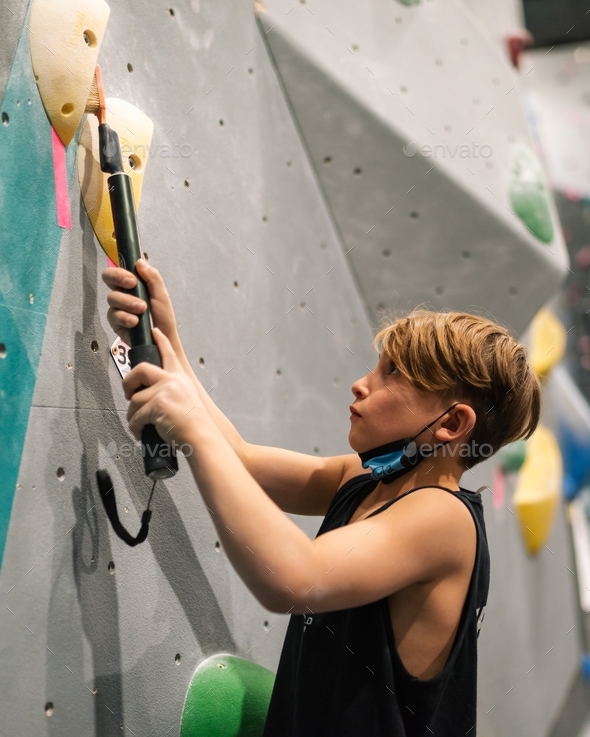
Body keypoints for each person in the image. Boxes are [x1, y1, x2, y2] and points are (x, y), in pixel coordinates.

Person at [102, 258, 541, 737]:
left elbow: (294, 580)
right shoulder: (366, 477)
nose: (361, 382)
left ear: (452, 425)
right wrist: (171, 347)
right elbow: (242, 460)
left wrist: (191, 429)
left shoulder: (445, 519)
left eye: (392, 373)